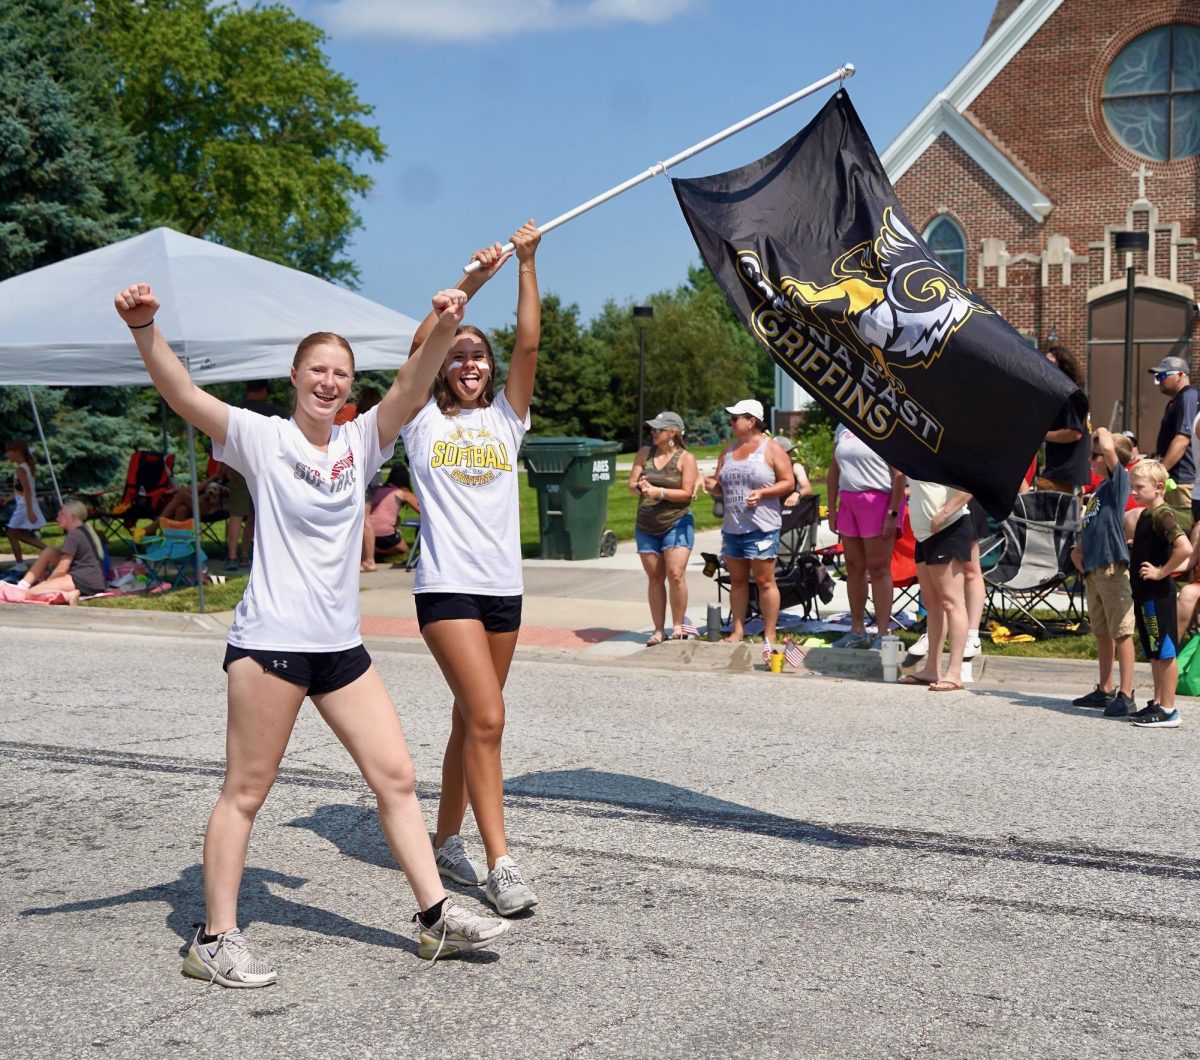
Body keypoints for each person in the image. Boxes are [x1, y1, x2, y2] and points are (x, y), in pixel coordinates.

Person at [112, 280, 508, 987]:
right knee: (246, 792)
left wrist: (450, 318)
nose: (329, 382)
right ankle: (214, 938)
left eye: (342, 374)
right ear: (296, 377)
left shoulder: (362, 439)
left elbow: (416, 383)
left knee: (396, 777)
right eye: (318, 370)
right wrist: (146, 330)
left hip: (340, 650)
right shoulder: (262, 437)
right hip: (270, 644)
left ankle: (435, 917)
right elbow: (184, 396)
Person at [400, 222, 543, 918]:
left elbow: (530, 344)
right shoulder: (422, 420)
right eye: (457, 355)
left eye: (476, 355)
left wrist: (526, 265)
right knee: (489, 717)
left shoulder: (507, 420)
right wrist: (471, 285)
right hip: (447, 587)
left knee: (469, 720)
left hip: (502, 591)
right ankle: (500, 862)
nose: (468, 362)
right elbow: (416, 353)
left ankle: (445, 837)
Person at [705, 399, 794, 654]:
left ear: (751, 421)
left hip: (762, 526)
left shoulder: (771, 448)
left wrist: (763, 494)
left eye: (736, 418)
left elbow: (787, 482)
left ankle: (770, 632)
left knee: (765, 581)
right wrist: (710, 485)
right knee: (738, 581)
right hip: (733, 527)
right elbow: (720, 485)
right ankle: (738, 630)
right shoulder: (728, 451)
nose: (731, 423)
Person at [1069, 429, 1136, 717]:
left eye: (1095, 455)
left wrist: (1097, 432)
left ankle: (1126, 693)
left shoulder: (1118, 482)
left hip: (1111, 567)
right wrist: (1078, 549)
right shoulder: (1098, 491)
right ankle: (1106, 688)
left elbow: (1109, 445)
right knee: (1102, 631)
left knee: (1121, 631)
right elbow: (1092, 524)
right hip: (1094, 568)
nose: (1091, 459)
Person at [1122, 459, 1191, 728]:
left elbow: (1184, 548)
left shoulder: (1163, 514)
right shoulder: (1147, 514)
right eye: (1132, 487)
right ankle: (1158, 701)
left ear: (1159, 487)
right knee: (1154, 651)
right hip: (1144, 594)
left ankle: (1169, 709)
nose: (1133, 492)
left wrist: (1162, 571)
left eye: (1139, 487)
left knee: (1165, 651)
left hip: (1158, 594)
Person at [826, 423, 906, 649]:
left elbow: (899, 474)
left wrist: (892, 513)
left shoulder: (886, 423)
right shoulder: (842, 426)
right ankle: (857, 630)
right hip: (849, 501)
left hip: (878, 501)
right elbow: (834, 469)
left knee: (878, 569)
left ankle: (882, 634)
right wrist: (832, 508)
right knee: (854, 567)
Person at [628, 410, 699, 644]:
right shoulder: (645, 453)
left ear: (672, 432)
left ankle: (678, 625)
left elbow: (687, 493)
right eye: (652, 428)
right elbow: (631, 484)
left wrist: (659, 492)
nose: (653, 432)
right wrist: (641, 486)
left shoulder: (685, 458)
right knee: (655, 578)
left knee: (676, 575)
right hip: (646, 523)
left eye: (658, 429)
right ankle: (658, 630)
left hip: (676, 522)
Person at [898, 479, 974, 692]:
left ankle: (955, 673)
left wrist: (944, 514)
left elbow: (970, 483)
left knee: (952, 602)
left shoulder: (949, 448)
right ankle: (932, 668)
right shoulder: (919, 451)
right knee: (933, 604)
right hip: (924, 535)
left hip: (948, 529)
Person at [224, 380, 285, 571]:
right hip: (265, 467)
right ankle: (245, 556)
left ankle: (232, 556)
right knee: (255, 514)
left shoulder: (235, 411)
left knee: (236, 513)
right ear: (264, 390)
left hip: (238, 465)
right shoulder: (274, 412)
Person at [4, 499, 106, 605]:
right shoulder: (82, 531)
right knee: (50, 551)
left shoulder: (74, 535)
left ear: (73, 517)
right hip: (92, 580)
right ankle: (23, 585)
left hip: (84, 582)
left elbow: (63, 568)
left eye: (62, 515)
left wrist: (48, 582)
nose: (57, 518)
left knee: (32, 593)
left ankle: (69, 595)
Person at [1148, 355, 1198, 522]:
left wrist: (1159, 472)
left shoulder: (1188, 396)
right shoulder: (1177, 400)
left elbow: (1183, 439)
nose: (1159, 380)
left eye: (1163, 375)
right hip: (1175, 478)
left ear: (1180, 375)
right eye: (1157, 377)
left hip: (1182, 480)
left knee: (1181, 530)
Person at [1037, 346, 1090, 493]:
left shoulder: (1071, 394)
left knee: (1045, 510)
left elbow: (1074, 433)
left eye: (1050, 362)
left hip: (1064, 473)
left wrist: (1041, 435)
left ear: (1063, 365)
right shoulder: (1067, 393)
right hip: (1062, 472)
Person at [362, 464, 420, 571]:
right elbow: (421, 510)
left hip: (368, 531)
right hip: (385, 533)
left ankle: (373, 548)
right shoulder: (403, 493)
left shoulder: (379, 490)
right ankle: (378, 550)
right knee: (405, 550)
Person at [4, 440, 47, 568]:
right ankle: (54, 552)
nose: (6, 454)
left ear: (17, 452)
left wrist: (29, 512)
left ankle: (20, 564)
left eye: (8, 451)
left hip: (24, 507)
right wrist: (10, 499)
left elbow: (27, 490)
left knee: (11, 534)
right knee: (21, 535)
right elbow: (22, 490)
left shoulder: (20, 469)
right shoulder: (25, 467)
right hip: (25, 504)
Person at [771, 436, 814, 507]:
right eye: (787, 453)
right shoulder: (767, 469)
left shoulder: (795, 467)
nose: (790, 455)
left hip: (789, 508)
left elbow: (807, 488)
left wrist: (797, 494)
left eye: (790, 452)